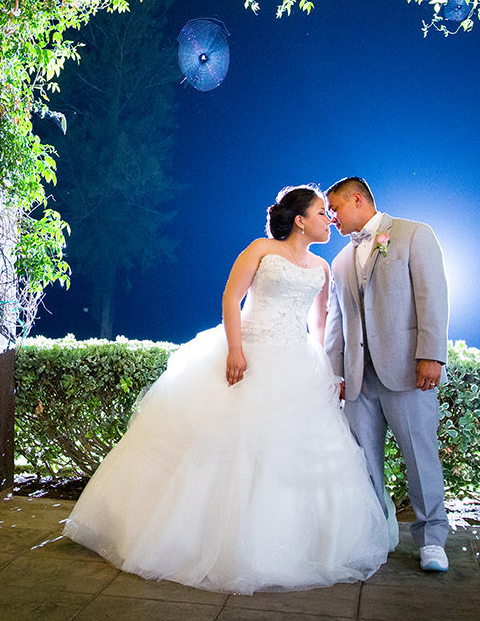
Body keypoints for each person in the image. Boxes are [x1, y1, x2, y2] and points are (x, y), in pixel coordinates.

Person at [64, 186, 388, 594]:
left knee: (286, 453)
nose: (330, 219)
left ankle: (280, 545)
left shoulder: (322, 268)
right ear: (301, 220)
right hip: (247, 352)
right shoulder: (260, 249)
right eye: (323, 212)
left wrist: (329, 369)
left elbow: (321, 324)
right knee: (222, 445)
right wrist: (236, 349)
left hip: (296, 363)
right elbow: (232, 297)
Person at [323, 176, 451, 573]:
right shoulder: (340, 260)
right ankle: (377, 535)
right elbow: (335, 322)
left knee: (420, 455)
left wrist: (431, 355)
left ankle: (433, 540)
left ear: (357, 200)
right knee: (363, 463)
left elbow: (433, 295)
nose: (332, 219)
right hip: (359, 380)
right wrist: (335, 373)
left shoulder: (414, 234)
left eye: (335, 210)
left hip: (407, 371)